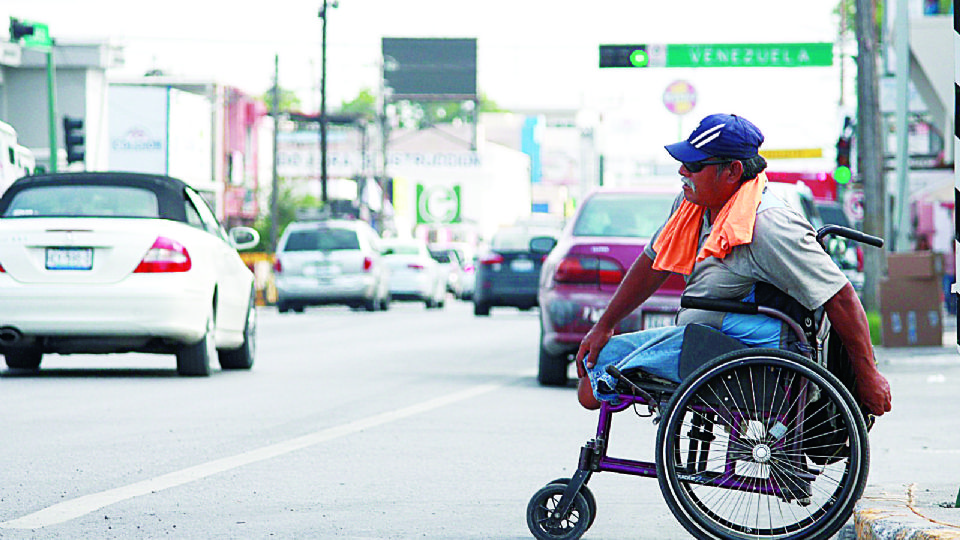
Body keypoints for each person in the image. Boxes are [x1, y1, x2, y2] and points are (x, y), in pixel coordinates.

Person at [575, 113, 892, 418]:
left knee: (593, 376)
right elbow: (654, 263)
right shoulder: (691, 206)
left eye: (694, 165)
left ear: (732, 171)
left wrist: (868, 376)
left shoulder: (768, 225)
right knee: (592, 371)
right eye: (683, 163)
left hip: (739, 354)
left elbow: (840, 296)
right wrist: (604, 325)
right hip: (706, 343)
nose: (683, 172)